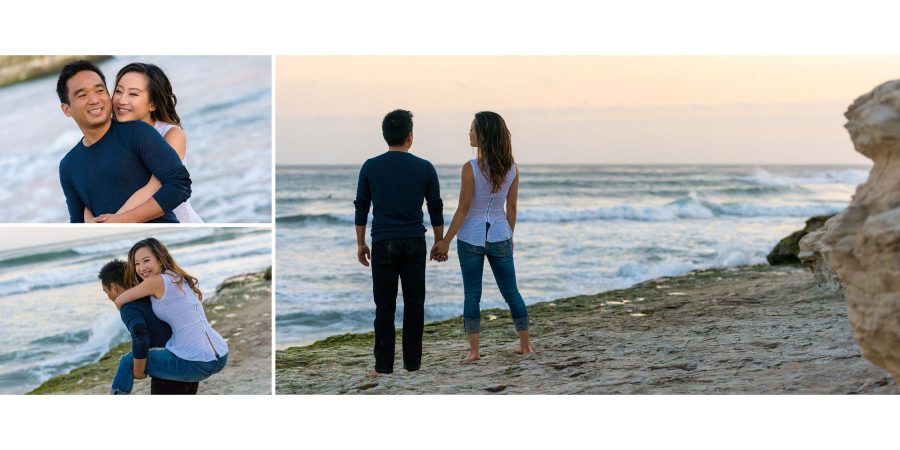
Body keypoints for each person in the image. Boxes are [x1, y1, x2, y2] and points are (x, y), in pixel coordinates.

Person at [432, 111, 533, 362]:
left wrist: (445, 240)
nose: (469, 133)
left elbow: (463, 208)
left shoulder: (471, 168)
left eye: (472, 129)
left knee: (472, 295)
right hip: (500, 233)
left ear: (483, 135)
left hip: (470, 237)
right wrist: (510, 234)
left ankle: (475, 352)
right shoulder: (512, 169)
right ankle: (525, 345)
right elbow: (511, 207)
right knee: (512, 292)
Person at [354, 109, 444, 377]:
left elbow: (362, 208)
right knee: (415, 304)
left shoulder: (370, 166)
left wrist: (361, 244)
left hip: (383, 242)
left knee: (385, 306)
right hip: (414, 241)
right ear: (410, 136)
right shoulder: (425, 167)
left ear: (385, 135)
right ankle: (412, 364)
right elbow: (435, 208)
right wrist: (440, 241)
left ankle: (383, 367)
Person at [56, 60, 191, 223]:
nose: (94, 100)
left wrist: (118, 220)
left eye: (99, 90)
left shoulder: (139, 133)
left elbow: (178, 184)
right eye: (82, 95)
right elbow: (77, 222)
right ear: (66, 109)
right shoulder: (68, 166)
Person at [109, 238, 228, 394]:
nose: (141, 268)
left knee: (126, 362)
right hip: (220, 354)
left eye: (146, 261)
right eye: (136, 264)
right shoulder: (177, 277)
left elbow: (119, 300)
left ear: (160, 259)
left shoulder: (155, 282)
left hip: (196, 362)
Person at [98, 259, 199, 395]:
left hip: (170, 367)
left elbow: (140, 334)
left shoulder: (128, 307)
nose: (108, 296)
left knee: (126, 362)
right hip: (189, 358)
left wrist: (138, 369)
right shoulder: (153, 295)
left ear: (114, 287)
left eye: (106, 292)